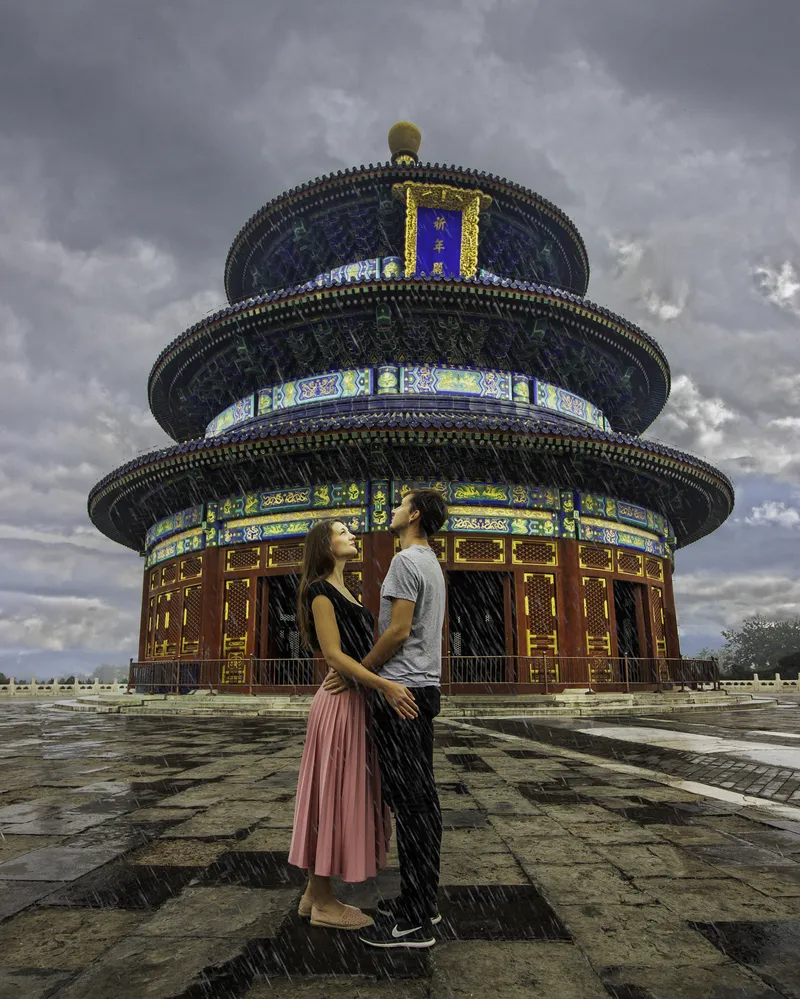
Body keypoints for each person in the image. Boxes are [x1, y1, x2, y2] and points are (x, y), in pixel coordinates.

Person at [324, 487, 448, 949]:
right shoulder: (431, 561)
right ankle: (423, 902)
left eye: (400, 503)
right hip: (423, 689)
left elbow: (397, 631)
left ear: (413, 515)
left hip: (402, 695)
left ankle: (414, 921)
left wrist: (361, 674)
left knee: (412, 803)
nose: (392, 509)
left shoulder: (404, 561)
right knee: (421, 800)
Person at [288, 518, 419, 931]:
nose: (353, 537)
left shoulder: (347, 590)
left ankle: (314, 893)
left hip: (354, 702)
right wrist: (386, 685)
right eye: (344, 532)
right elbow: (333, 656)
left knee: (332, 793)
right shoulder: (319, 591)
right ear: (325, 544)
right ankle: (326, 903)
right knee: (331, 794)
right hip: (340, 705)